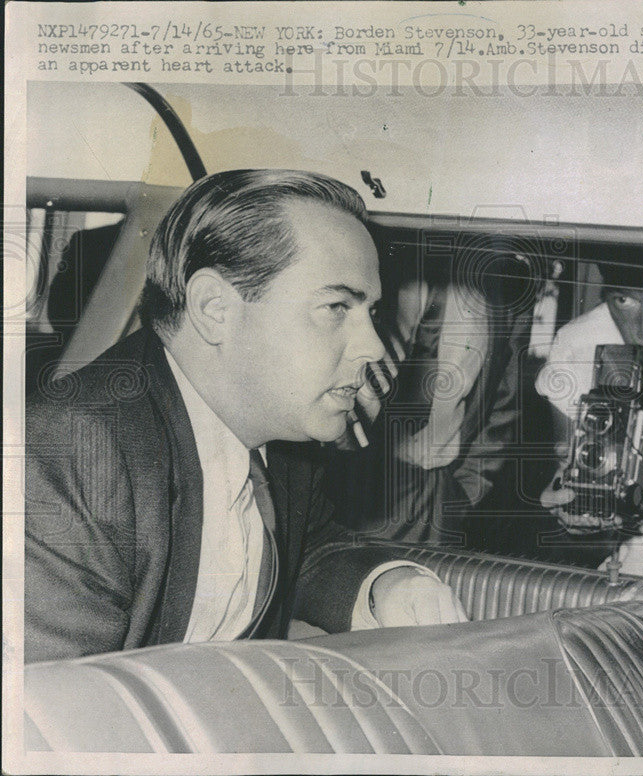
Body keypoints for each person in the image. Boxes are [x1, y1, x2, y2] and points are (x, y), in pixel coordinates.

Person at [25, 169, 466, 663]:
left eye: (371, 315)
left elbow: (307, 553)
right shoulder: (68, 453)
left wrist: (384, 585)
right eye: (337, 306)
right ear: (215, 308)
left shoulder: (279, 434)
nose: (371, 348)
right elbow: (53, 714)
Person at [536, 252, 643, 579]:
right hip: (623, 579)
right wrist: (576, 515)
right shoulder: (580, 345)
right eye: (624, 299)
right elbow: (573, 535)